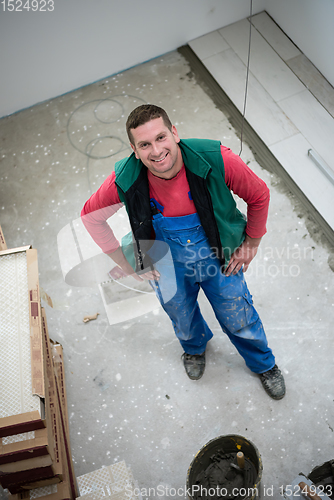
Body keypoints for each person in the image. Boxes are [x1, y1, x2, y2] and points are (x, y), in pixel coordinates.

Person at [81, 104, 285, 400]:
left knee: (238, 314)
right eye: (145, 144)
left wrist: (251, 242)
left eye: (161, 137)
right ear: (135, 150)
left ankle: (263, 364)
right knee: (181, 315)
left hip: (220, 258)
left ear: (174, 133)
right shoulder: (125, 178)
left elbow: (259, 195)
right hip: (165, 264)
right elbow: (91, 216)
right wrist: (124, 262)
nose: (156, 151)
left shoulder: (215, 159)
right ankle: (194, 349)